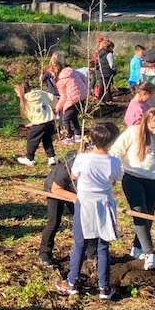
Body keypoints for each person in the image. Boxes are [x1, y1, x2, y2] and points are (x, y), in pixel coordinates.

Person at [55, 122, 123, 300]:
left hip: (84, 204)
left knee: (79, 244)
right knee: (103, 246)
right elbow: (115, 179)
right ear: (112, 142)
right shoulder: (114, 161)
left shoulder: (82, 159)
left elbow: (74, 175)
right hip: (105, 205)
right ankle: (104, 288)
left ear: (91, 139)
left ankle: (72, 283)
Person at [110, 107, 155, 271]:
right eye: (152, 127)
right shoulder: (133, 132)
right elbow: (115, 151)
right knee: (140, 213)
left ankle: (137, 248)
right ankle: (149, 254)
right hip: (132, 177)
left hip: (152, 180)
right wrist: (113, 172)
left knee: (149, 216)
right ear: (145, 122)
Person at [14, 79, 57, 166]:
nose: (17, 94)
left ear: (21, 92)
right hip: (49, 121)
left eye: (17, 92)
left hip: (39, 123)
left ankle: (30, 158)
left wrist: (34, 122)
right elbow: (52, 98)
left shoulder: (25, 100)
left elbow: (29, 114)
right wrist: (53, 107)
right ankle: (51, 158)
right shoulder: (40, 93)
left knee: (31, 140)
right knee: (47, 140)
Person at [51, 55, 88, 144]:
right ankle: (78, 135)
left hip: (72, 99)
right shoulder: (71, 71)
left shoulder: (60, 80)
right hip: (82, 96)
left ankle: (69, 137)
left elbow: (63, 97)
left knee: (65, 118)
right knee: (74, 116)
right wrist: (84, 87)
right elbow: (83, 76)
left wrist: (57, 108)